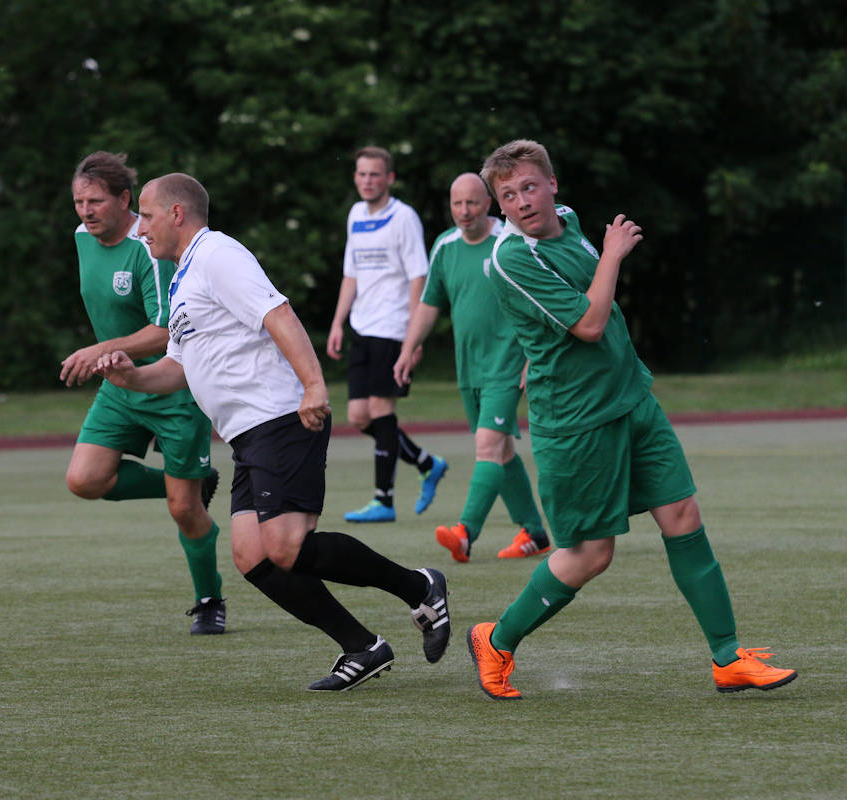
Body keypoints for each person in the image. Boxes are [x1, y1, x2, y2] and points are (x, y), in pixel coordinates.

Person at [466, 139, 797, 698]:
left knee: (683, 514)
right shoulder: (510, 258)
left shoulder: (567, 222)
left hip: (631, 400)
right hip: (576, 425)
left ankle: (727, 656)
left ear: (552, 185)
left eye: (529, 186)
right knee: (592, 555)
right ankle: (496, 640)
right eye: (507, 195)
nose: (521, 201)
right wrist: (614, 253)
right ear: (499, 207)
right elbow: (590, 324)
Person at [95, 172, 452, 691]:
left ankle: (418, 585)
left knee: (286, 546)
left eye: (146, 216)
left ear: (176, 214)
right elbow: (178, 367)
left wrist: (314, 386)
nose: (140, 228)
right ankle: (362, 646)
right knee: (253, 555)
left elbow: (277, 313)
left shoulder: (218, 255)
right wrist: (132, 377)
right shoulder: (181, 275)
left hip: (280, 417)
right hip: (247, 434)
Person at [60, 151, 226, 636]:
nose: (85, 211)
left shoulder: (147, 247)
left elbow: (164, 330)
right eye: (78, 202)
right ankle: (193, 484)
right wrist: (110, 359)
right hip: (120, 387)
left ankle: (209, 599)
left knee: (184, 511)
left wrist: (100, 350)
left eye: (95, 201)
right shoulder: (80, 238)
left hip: (173, 386)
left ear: (124, 199)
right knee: (84, 480)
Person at [395, 173, 551, 561]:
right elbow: (430, 304)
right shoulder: (445, 247)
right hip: (470, 369)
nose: (464, 212)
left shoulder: (510, 243)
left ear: (489, 204)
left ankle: (465, 533)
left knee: (487, 446)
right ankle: (534, 533)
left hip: (508, 363)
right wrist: (407, 349)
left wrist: (535, 357)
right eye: (457, 204)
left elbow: (539, 303)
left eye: (472, 203)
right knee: (502, 451)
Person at [327, 146, 448, 523]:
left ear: (389, 178)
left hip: (393, 328)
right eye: (361, 174)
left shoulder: (404, 218)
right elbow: (352, 273)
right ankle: (428, 463)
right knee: (360, 417)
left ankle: (384, 500)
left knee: (381, 411)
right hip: (362, 327)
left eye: (375, 174)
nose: (367, 181)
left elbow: (418, 277)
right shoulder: (356, 215)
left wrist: (414, 337)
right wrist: (337, 322)